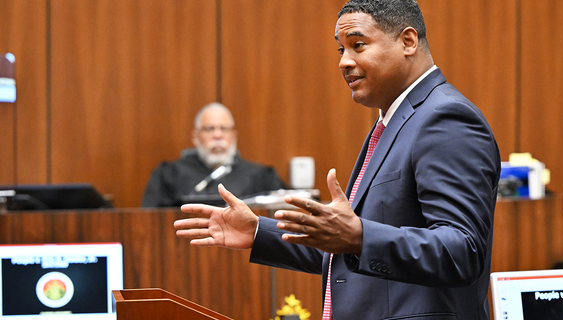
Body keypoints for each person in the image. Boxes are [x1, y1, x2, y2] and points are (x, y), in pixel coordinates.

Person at [174, 1, 500, 319]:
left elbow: (463, 251)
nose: (344, 61)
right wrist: (260, 232)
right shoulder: (393, 122)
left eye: (358, 45)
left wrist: (359, 236)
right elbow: (348, 249)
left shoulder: (445, 118)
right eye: (341, 50)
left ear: (408, 41)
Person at [141, 102, 287, 207]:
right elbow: (151, 220)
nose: (218, 135)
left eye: (224, 129)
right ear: (195, 137)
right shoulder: (168, 175)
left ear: (234, 135)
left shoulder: (261, 176)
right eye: (209, 129)